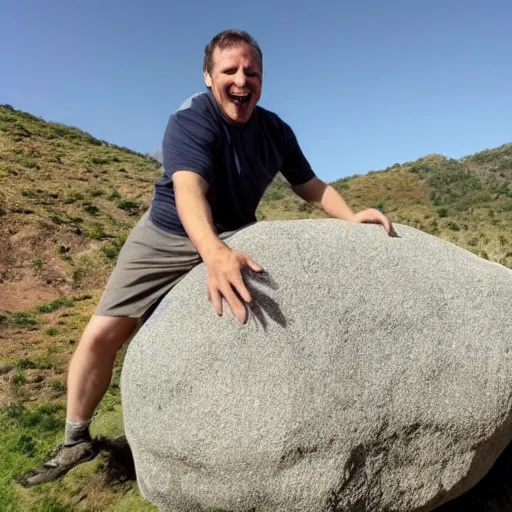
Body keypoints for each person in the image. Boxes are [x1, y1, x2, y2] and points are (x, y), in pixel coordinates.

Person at [17, 28, 394, 486]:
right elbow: (188, 191)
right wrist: (214, 253)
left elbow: (308, 185)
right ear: (208, 75)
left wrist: (350, 216)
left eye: (250, 71)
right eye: (229, 70)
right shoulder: (192, 119)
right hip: (169, 232)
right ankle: (75, 439)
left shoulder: (275, 130)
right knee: (103, 333)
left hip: (236, 228)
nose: (241, 80)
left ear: (262, 78)